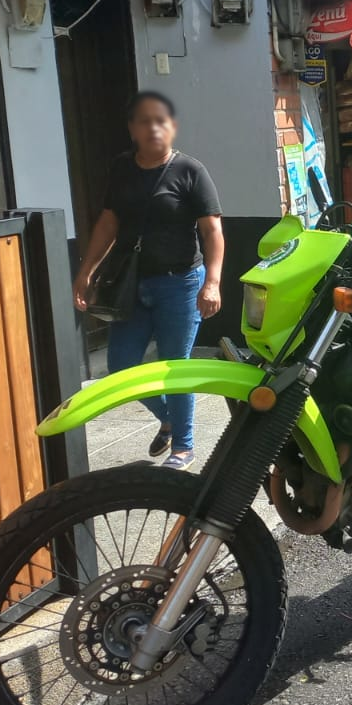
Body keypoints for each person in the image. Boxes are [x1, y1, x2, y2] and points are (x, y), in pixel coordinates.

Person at [73, 91, 225, 471]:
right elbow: (109, 221)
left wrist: (213, 282)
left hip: (181, 284)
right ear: (132, 129)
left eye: (162, 121)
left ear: (172, 128)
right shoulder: (122, 169)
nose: (154, 128)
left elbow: (212, 232)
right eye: (145, 121)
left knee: (175, 367)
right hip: (132, 285)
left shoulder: (191, 171)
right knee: (122, 364)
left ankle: (184, 448)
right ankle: (169, 418)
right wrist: (86, 270)